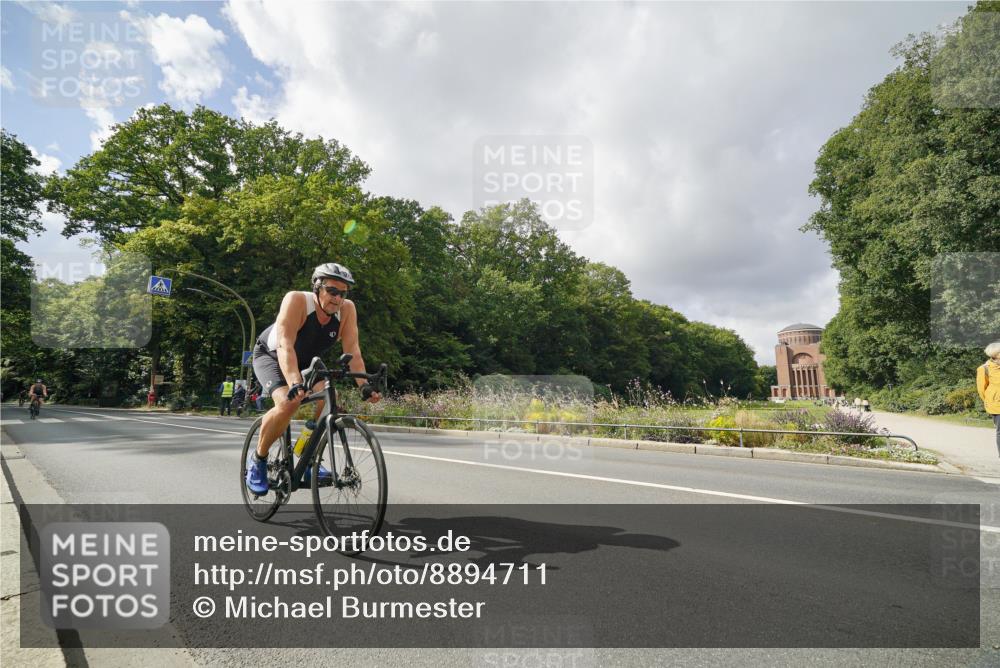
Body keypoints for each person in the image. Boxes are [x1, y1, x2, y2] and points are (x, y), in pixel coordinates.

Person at [246, 263, 381, 493]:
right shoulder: (297, 300)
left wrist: (364, 386)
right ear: (317, 288)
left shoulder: (347, 310)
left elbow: (353, 352)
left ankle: (306, 454)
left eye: (343, 293)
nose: (338, 298)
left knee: (329, 400)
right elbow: (284, 344)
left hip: (305, 361)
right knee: (289, 402)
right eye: (332, 291)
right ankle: (258, 459)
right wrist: (294, 382)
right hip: (272, 355)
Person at [976, 341, 1000, 458]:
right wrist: (991, 401)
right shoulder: (984, 369)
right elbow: (981, 389)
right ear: (996, 354)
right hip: (996, 405)